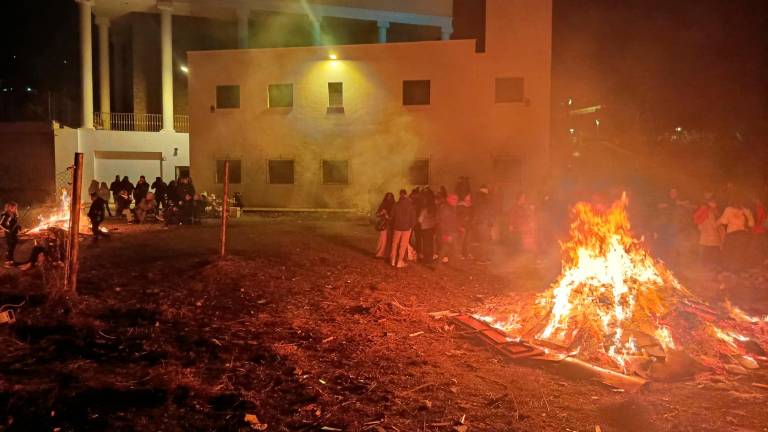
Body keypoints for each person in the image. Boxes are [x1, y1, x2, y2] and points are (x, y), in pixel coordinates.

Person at [718, 196, 754, 272]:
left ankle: (729, 269)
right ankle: (737, 270)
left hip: (732, 234)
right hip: (742, 234)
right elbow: (751, 224)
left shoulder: (728, 209)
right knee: (739, 252)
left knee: (730, 251)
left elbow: (724, 221)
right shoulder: (746, 210)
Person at [693, 196, 722, 268]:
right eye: (714, 202)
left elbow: (699, 223)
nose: (715, 204)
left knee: (704, 250)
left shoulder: (705, 210)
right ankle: (709, 266)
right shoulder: (710, 212)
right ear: (710, 203)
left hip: (705, 234)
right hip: (711, 235)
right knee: (711, 251)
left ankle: (702, 266)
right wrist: (721, 220)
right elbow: (714, 225)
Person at [390, 189, 416, 268]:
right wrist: (411, 226)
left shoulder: (395, 205)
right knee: (403, 245)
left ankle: (393, 260)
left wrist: (393, 224)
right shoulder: (410, 205)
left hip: (397, 227)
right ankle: (399, 261)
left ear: (400, 194)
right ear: (405, 194)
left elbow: (392, 217)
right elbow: (413, 217)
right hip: (407, 228)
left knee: (394, 244)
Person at [472, 185, 493, 263]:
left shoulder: (479, 199)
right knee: (484, 241)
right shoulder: (484, 200)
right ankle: (482, 259)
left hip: (482, 223)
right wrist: (490, 222)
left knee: (484, 241)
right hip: (484, 223)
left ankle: (484, 257)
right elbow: (487, 212)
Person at [437, 193, 459, 263]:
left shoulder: (451, 208)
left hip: (452, 232)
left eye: (456, 199)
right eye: (454, 199)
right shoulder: (446, 209)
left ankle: (439, 264)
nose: (456, 201)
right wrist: (447, 234)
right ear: (448, 199)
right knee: (447, 248)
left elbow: (453, 220)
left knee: (448, 248)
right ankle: (437, 264)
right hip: (448, 232)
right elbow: (443, 222)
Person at [418, 188, 438, 264]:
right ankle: (430, 259)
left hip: (425, 228)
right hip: (432, 228)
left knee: (426, 244)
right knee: (431, 243)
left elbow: (420, 220)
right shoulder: (435, 208)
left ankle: (426, 259)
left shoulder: (424, 209)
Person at [374, 192, 395, 258]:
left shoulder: (394, 205)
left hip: (391, 225)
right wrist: (381, 213)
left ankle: (388, 254)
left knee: (391, 240)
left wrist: (387, 216)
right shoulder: (382, 204)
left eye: (390, 197)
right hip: (383, 225)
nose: (389, 198)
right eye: (387, 196)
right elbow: (377, 214)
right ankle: (380, 254)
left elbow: (395, 216)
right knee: (382, 239)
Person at [0, 202, 20, 266]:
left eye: (15, 207)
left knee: (14, 245)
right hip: (9, 233)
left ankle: (12, 260)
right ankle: (8, 261)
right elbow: (1, 224)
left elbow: (15, 223)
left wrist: (19, 227)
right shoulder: (5, 214)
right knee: (10, 246)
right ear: (9, 207)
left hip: (14, 233)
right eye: (13, 207)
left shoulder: (14, 214)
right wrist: (7, 230)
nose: (15, 209)